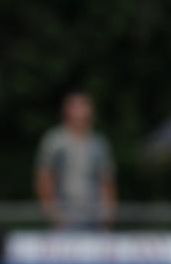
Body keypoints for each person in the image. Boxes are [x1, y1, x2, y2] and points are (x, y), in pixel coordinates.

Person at [35, 92, 116, 229]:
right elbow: (44, 178)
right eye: (77, 106)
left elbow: (106, 181)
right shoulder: (55, 141)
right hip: (65, 217)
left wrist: (108, 215)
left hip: (94, 218)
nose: (82, 111)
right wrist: (53, 214)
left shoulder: (98, 143)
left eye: (85, 106)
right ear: (66, 111)